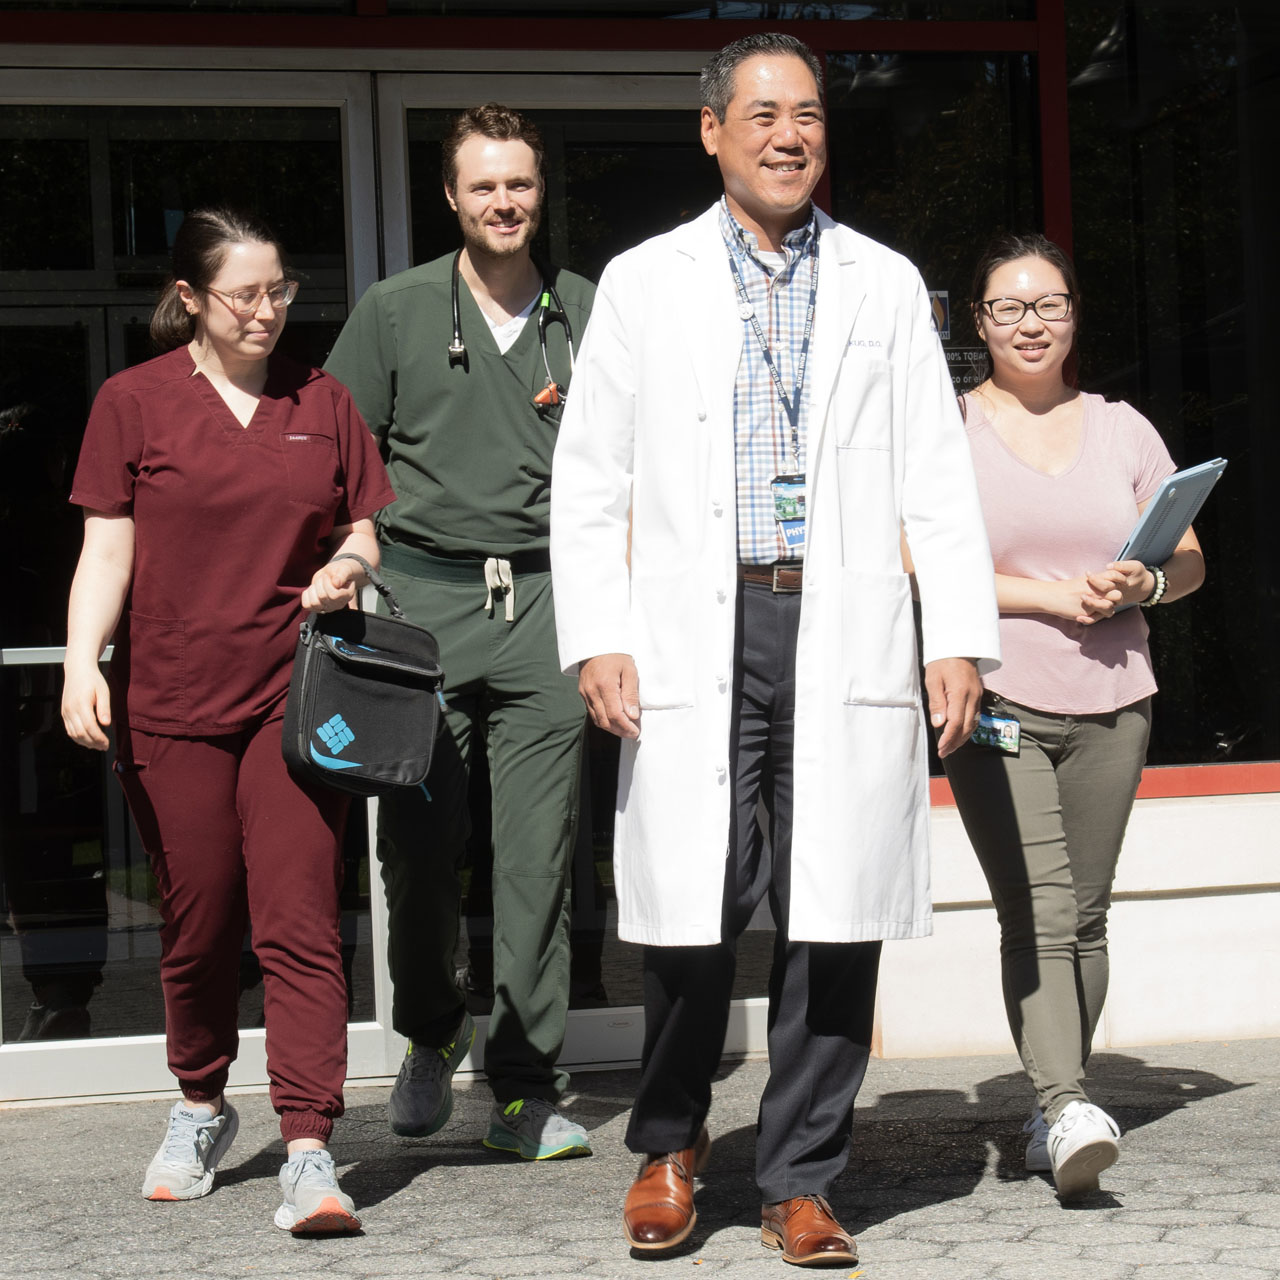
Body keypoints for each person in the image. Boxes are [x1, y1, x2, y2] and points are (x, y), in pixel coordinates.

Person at [550, 33, 1000, 1267]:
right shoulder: (644, 281)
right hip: (698, 623)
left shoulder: (882, 281)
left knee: (832, 906)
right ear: (711, 132)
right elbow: (589, 475)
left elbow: (933, 477)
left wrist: (954, 630)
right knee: (693, 904)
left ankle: (800, 1176)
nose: (789, 135)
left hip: (842, 616)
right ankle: (669, 1144)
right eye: (762, 114)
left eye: (807, 114)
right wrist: (596, 630)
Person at [61, 208, 394, 1232]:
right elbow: (106, 549)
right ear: (192, 298)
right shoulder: (134, 402)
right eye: (245, 293)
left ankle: (307, 1146)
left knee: (296, 918)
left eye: (279, 289)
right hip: (171, 700)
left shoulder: (321, 398)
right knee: (199, 921)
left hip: (294, 700)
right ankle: (201, 1101)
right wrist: (80, 660)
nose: (266, 310)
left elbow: (366, 527)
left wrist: (345, 565)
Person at [323, 103, 595, 1161]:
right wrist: (352, 561)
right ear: (451, 196)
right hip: (422, 612)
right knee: (420, 853)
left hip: (545, 609)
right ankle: (433, 1034)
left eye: (519, 184)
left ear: (540, 192)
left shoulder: (584, 312)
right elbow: (340, 465)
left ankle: (525, 1085)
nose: (502, 203)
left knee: (541, 860)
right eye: (483, 186)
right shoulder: (393, 312)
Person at [941, 233, 1205, 1200]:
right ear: (979, 323)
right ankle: (1062, 1105)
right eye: (1008, 308)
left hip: (1115, 699)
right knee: (1042, 911)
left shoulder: (1124, 428)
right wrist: (1050, 598)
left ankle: (1063, 1099)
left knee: (1084, 919)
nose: (1030, 323)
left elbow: (1190, 560)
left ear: (1074, 312)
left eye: (1047, 303)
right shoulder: (950, 430)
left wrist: (1151, 577)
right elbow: (925, 563)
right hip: (1000, 697)